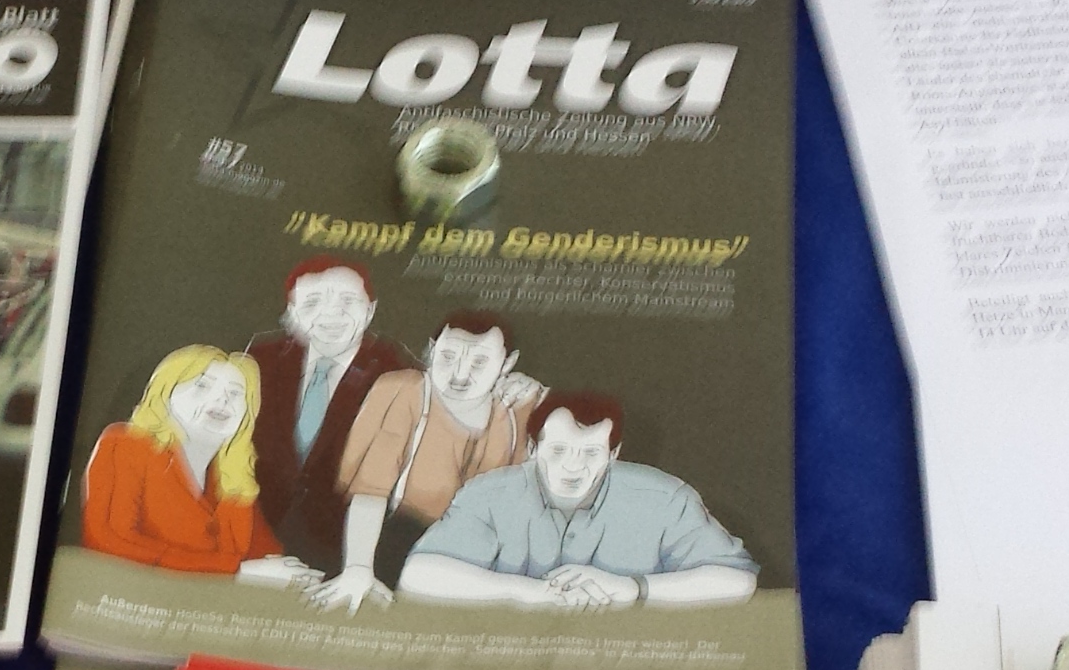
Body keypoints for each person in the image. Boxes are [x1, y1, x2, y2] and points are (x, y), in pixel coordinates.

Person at [398, 391, 758, 610]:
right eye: (558, 450)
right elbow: (419, 575)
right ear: (533, 449)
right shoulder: (489, 494)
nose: (573, 466)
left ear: (613, 454)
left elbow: (738, 581)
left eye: (590, 453)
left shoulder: (665, 497)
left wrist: (633, 589)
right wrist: (532, 594)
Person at [305, 309, 546, 612]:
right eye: (448, 357)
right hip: (394, 541)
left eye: (480, 362)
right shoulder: (403, 391)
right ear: (432, 350)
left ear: (507, 363)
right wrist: (358, 569)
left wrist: (537, 392)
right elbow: (370, 491)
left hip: (481, 553)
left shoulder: (518, 406)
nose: (460, 374)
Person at [80, 345, 322, 583]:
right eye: (202, 386)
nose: (222, 399)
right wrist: (236, 572)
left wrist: (299, 578)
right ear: (164, 394)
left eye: (235, 393)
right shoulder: (125, 443)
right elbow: (108, 542)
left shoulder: (234, 476)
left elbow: (267, 557)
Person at [245, 259, 412, 574]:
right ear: (292, 313)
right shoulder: (258, 361)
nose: (331, 313)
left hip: (349, 556)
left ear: (370, 310)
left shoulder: (399, 373)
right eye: (312, 302)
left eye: (347, 300)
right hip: (255, 545)